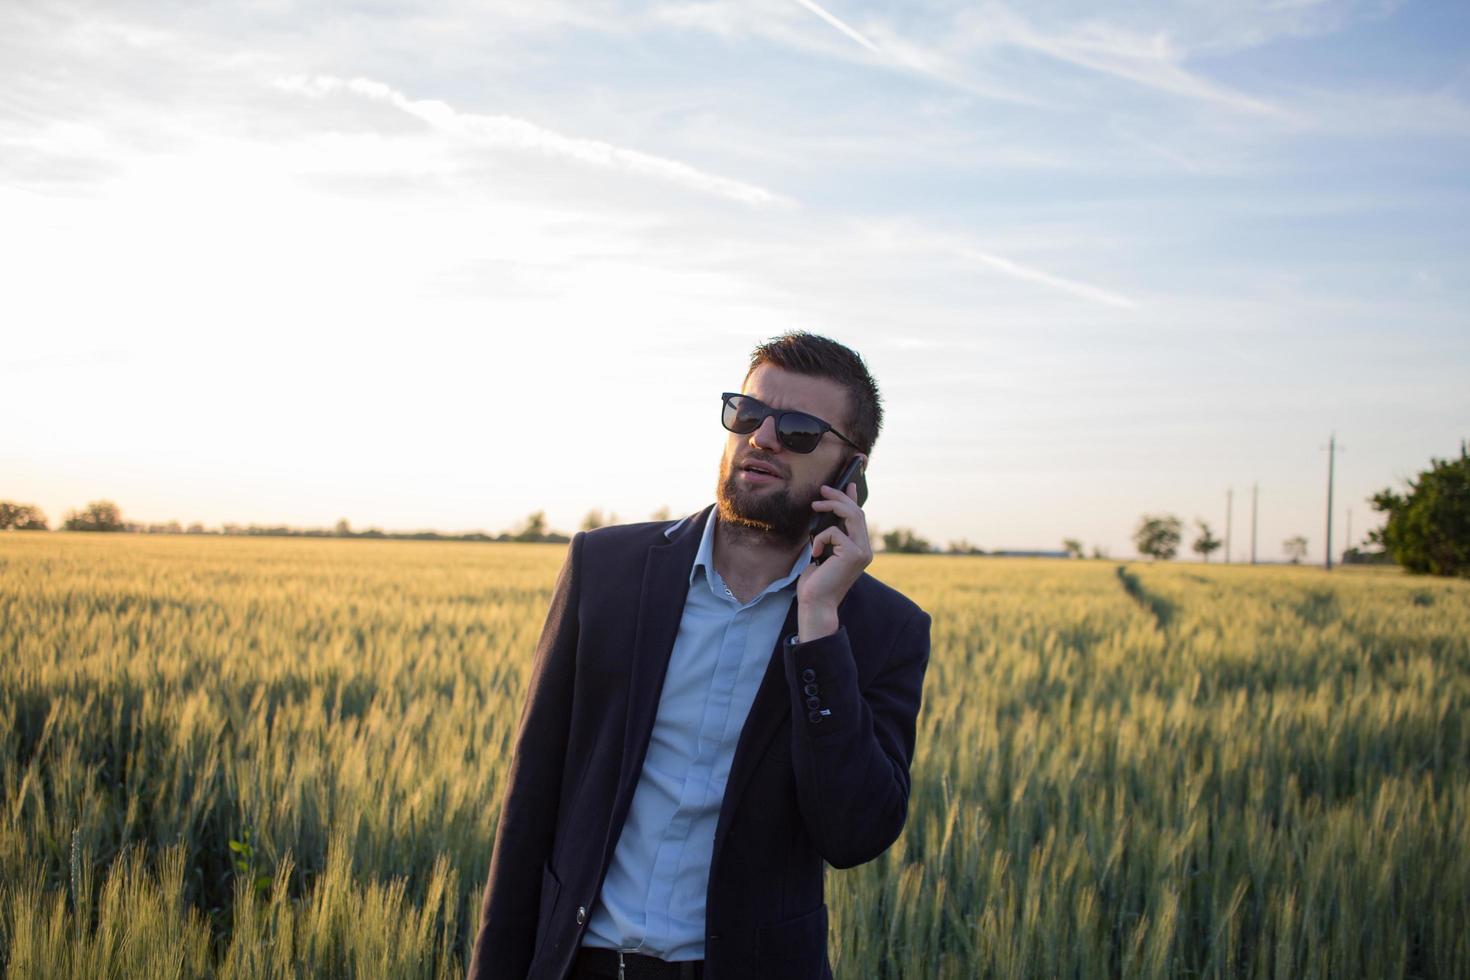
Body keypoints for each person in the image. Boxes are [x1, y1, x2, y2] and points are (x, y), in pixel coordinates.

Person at [467, 333, 931, 980]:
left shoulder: (883, 628)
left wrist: (820, 622)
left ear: (850, 474)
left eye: (798, 431)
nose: (762, 438)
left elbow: (854, 835)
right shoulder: (606, 568)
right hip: (580, 962)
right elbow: (531, 798)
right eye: (746, 413)